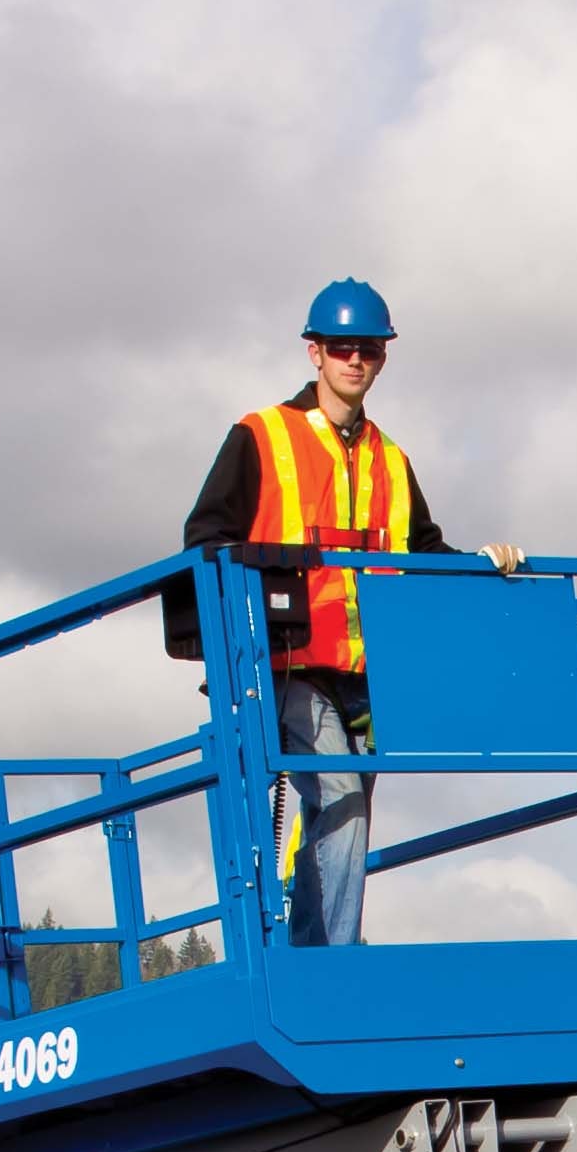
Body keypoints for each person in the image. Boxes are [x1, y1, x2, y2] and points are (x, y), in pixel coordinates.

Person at [170, 281, 518, 948]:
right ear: (315, 353)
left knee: (341, 813)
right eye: (341, 348)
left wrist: (484, 562)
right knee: (342, 799)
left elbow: (424, 552)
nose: (355, 361)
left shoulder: (392, 459)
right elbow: (205, 539)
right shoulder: (260, 437)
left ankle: (311, 954)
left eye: (369, 350)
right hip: (283, 666)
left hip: (364, 677)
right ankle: (330, 966)